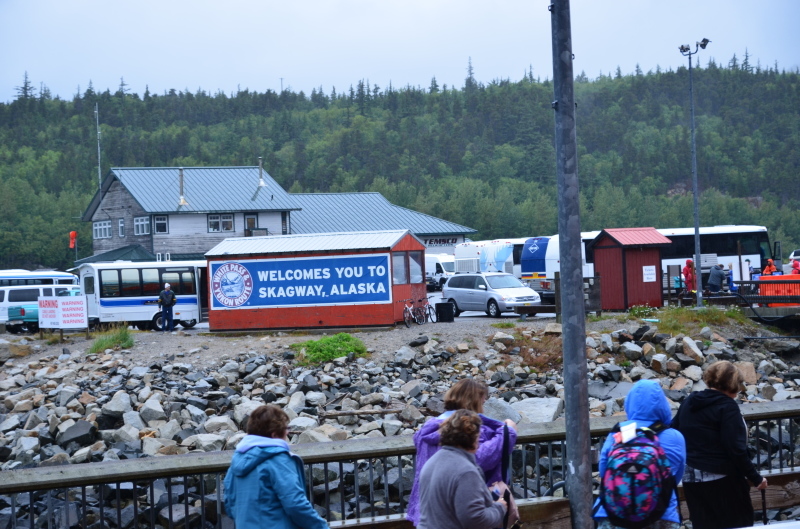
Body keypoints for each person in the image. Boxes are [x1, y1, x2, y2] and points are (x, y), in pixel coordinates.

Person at [406, 379, 517, 526]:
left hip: (427, 513)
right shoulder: (469, 433)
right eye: (482, 402)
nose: (483, 407)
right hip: (459, 512)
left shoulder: (427, 429)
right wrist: (508, 433)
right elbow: (481, 458)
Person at [673, 361, 768, 529]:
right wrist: (756, 478)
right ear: (733, 385)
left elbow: (673, 431)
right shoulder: (727, 407)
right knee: (739, 523)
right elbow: (736, 449)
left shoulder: (690, 401)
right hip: (723, 480)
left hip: (691, 479)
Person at [593, 380, 685, 529]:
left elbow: (604, 471)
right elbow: (675, 477)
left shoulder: (617, 433)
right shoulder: (675, 437)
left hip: (615, 512)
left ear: (629, 403)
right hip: (661, 513)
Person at [223, 405, 328, 529]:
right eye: (286, 428)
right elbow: (295, 504)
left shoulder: (237, 460)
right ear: (274, 434)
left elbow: (229, 505)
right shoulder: (279, 459)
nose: (288, 432)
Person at [417, 409, 507, 529]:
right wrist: (500, 507)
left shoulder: (431, 463)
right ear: (473, 438)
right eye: (479, 437)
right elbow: (475, 520)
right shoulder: (466, 472)